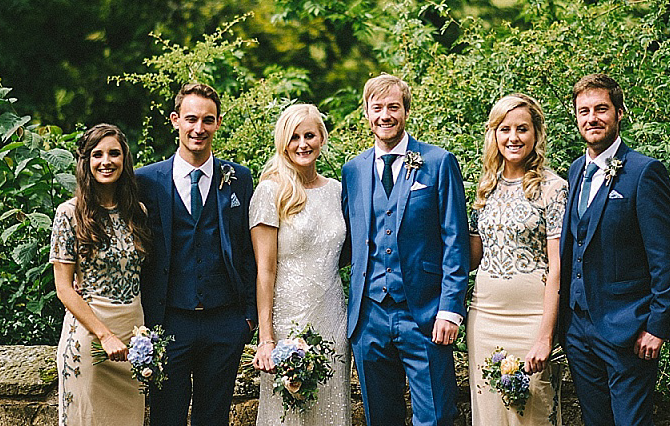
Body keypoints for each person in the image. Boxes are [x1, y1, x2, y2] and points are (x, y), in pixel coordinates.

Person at [341, 73, 469, 426]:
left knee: (436, 418)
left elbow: (455, 241)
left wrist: (450, 309)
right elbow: (347, 241)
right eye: (377, 107)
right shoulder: (353, 169)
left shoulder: (439, 162)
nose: (385, 115)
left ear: (406, 111)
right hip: (368, 317)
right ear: (366, 113)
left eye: (393, 107)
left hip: (424, 315)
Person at [559, 74, 670, 426]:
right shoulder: (575, 171)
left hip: (628, 329)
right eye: (584, 111)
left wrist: (658, 326)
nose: (592, 118)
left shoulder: (644, 173)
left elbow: (667, 259)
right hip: (578, 330)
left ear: (619, 113)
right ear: (576, 117)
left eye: (601, 109)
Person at [136, 83, 256, 426]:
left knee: (214, 418)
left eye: (207, 120)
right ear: (175, 120)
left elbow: (248, 251)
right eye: (191, 119)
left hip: (224, 322)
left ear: (218, 123)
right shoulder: (146, 181)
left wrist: (247, 318)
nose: (198, 129)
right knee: (165, 416)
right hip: (168, 320)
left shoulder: (238, 179)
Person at [467, 94, 567, 425]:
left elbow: (558, 268)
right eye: (505, 129)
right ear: (493, 134)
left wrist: (545, 336)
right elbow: (472, 256)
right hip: (485, 319)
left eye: (522, 129)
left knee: (533, 415)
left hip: (532, 320)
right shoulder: (485, 187)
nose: (513, 138)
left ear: (536, 133)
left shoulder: (553, 188)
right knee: (490, 415)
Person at [249, 104, 351, 425]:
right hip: (287, 321)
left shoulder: (337, 191)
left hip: (333, 319)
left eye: (310, 135)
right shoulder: (271, 192)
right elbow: (265, 271)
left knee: (332, 410)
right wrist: (267, 339)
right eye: (294, 137)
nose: (303, 143)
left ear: (322, 138)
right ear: (283, 142)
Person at [50, 123, 152, 426]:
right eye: (97, 154)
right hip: (90, 338)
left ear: (125, 159)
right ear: (86, 161)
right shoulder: (69, 214)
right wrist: (104, 335)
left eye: (114, 153)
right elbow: (64, 289)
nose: (106, 161)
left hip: (133, 342)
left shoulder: (138, 213)